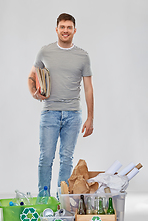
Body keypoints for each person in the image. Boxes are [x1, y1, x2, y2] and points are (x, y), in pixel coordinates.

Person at [28, 13, 94, 195]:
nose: (66, 31)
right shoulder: (45, 51)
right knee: (46, 158)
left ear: (74, 30)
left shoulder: (83, 56)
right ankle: (43, 198)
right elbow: (31, 76)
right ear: (57, 29)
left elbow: (88, 88)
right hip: (49, 112)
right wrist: (34, 92)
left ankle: (61, 199)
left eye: (69, 28)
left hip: (73, 114)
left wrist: (90, 118)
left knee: (66, 159)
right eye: (62, 27)